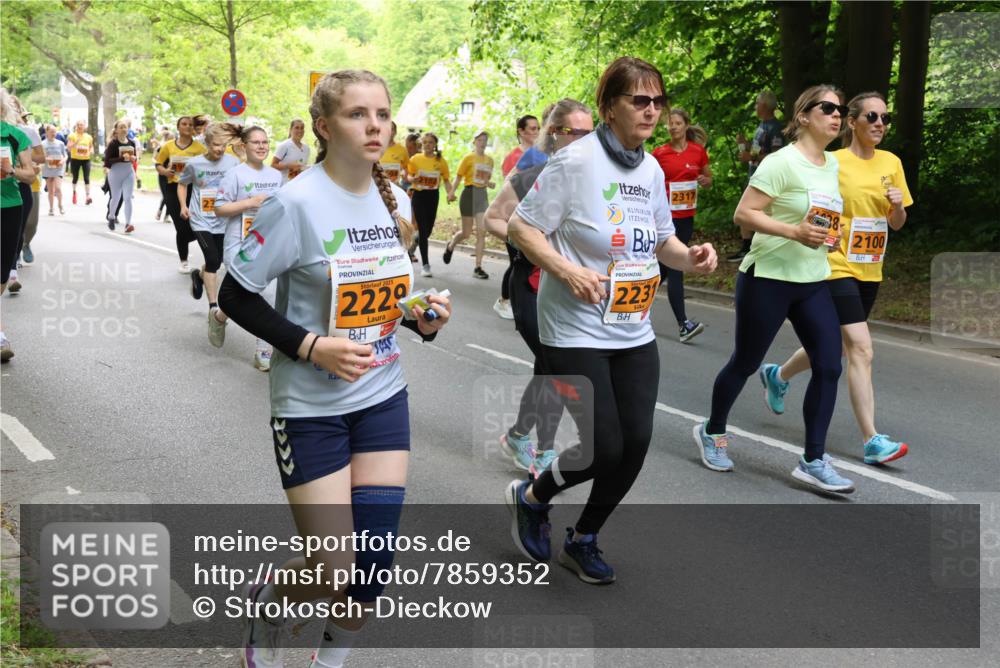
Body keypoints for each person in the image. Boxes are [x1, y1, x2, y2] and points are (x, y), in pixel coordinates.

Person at [218, 68, 450, 668]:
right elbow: (235, 295)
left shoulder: (387, 197)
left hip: (382, 398)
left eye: (382, 114)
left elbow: (370, 299)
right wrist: (308, 345)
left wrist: (416, 315)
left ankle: (332, 659)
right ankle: (273, 601)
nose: (374, 125)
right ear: (324, 126)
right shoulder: (294, 203)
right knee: (332, 566)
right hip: (310, 411)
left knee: (372, 564)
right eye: (357, 114)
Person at [504, 57, 717, 584]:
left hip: (632, 325)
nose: (651, 111)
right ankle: (532, 497)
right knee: (605, 445)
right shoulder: (575, 162)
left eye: (657, 101)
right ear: (609, 107)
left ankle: (585, 537)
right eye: (638, 101)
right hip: (573, 327)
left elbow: (663, 239)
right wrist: (566, 269)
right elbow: (520, 227)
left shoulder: (650, 169)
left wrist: (689, 258)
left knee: (636, 442)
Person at [695, 84, 855, 494]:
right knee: (745, 363)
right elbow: (743, 214)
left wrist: (826, 235)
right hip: (767, 277)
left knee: (830, 363)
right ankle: (712, 431)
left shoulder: (832, 165)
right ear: (803, 116)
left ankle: (813, 460)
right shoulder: (780, 163)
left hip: (812, 279)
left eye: (840, 109)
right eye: (828, 108)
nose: (837, 115)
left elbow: (821, 216)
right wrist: (793, 231)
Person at [760, 91, 912, 465]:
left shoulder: (891, 162)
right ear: (852, 122)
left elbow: (898, 222)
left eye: (885, 118)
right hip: (835, 265)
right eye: (872, 117)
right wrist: (825, 237)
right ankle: (872, 440)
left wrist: (895, 206)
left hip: (870, 267)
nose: (880, 124)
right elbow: (814, 206)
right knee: (861, 347)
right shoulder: (833, 162)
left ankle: (778, 375)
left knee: (840, 346)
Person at [485, 98, 593, 474]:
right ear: (554, 133)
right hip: (529, 285)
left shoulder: (592, 178)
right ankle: (545, 451)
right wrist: (528, 243)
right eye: (574, 132)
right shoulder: (532, 171)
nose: (583, 140)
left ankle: (517, 436)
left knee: (548, 367)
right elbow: (494, 219)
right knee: (555, 365)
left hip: (564, 287)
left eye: (589, 133)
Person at [213, 124, 282, 370]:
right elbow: (219, 208)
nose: (262, 146)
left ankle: (263, 351)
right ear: (244, 146)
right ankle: (220, 316)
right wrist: (250, 202)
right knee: (243, 293)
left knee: (268, 295)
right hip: (239, 243)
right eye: (256, 142)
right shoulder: (235, 175)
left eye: (265, 142)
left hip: (266, 243)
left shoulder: (275, 176)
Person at [652, 107, 712, 343]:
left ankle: (630, 308)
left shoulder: (698, 152)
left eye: (677, 123)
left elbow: (708, 180)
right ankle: (683, 325)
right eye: (670, 123)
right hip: (666, 217)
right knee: (677, 265)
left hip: (686, 217)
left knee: (662, 270)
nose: (673, 127)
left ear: (686, 125)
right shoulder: (659, 154)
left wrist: (704, 180)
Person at [177, 122, 241, 341]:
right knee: (213, 259)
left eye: (223, 145)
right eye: (215, 145)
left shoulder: (233, 162)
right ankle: (213, 307)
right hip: (201, 220)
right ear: (206, 143)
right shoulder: (194, 164)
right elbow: (182, 184)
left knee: (217, 261)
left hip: (223, 220)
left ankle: (199, 275)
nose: (220, 149)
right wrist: (183, 206)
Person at [1, 93, 37, 362]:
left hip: (9, 206)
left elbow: (30, 173)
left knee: (2, 274)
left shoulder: (14, 135)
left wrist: (11, 170)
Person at [728, 91, 784, 262]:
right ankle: (746, 246)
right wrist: (745, 144)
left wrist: (751, 157)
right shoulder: (762, 125)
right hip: (754, 175)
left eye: (757, 103)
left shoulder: (776, 128)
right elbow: (758, 149)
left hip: (767, 180)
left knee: (752, 211)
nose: (755, 107)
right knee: (744, 209)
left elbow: (777, 156)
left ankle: (754, 248)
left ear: (765, 106)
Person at [155, 117, 206, 273]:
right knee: (181, 226)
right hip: (172, 188)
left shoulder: (199, 148)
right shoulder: (168, 146)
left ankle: (194, 237)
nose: (188, 126)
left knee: (195, 224)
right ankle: (183, 261)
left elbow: (206, 166)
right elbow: (158, 163)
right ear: (178, 127)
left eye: (190, 125)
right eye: (184, 124)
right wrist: (165, 171)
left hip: (193, 189)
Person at [443, 130, 495, 279]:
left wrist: (489, 183)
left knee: (481, 231)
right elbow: (459, 177)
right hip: (469, 194)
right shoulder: (468, 158)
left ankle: (478, 267)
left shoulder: (490, 160)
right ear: (474, 141)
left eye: (485, 140)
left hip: (482, 195)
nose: (483, 142)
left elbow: (485, 179)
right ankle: (451, 245)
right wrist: (451, 192)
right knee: (466, 233)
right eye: (480, 140)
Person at [406, 131, 455, 277]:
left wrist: (450, 193)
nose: (428, 145)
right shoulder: (415, 159)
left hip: (433, 196)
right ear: (422, 144)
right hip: (419, 195)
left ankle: (415, 241)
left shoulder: (440, 161)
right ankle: (426, 265)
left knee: (427, 231)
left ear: (435, 145)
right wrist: (411, 179)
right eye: (425, 142)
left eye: (431, 142)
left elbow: (446, 180)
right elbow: (409, 174)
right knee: (422, 229)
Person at [103, 120, 137, 234]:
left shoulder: (132, 143)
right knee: (116, 197)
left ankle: (128, 223)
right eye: (121, 127)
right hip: (115, 173)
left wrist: (134, 158)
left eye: (125, 127)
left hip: (128, 172)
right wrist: (121, 158)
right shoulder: (113, 144)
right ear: (116, 130)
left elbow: (134, 157)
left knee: (128, 198)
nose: (124, 129)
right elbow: (107, 162)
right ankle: (111, 216)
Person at [272, 118, 310, 184]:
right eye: (297, 128)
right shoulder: (284, 145)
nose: (300, 130)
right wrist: (288, 166)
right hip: (284, 185)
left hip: (300, 184)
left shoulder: (306, 148)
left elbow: (302, 166)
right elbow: (273, 165)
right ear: (290, 130)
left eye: (302, 128)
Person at [501, 114, 539, 178]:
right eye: (533, 129)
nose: (537, 132)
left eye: (538, 129)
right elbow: (507, 185)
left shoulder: (544, 154)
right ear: (521, 131)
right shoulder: (510, 158)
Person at [41, 124, 67, 216]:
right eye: (51, 132)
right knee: (50, 190)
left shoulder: (60, 143)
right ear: (47, 132)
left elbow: (65, 155)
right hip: (48, 168)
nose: (53, 133)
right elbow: (41, 157)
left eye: (55, 131)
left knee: (58, 188)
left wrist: (62, 161)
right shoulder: (43, 144)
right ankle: (51, 208)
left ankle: (60, 205)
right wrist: (47, 159)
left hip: (58, 168)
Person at [67, 119, 94, 205]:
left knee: (87, 178)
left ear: (84, 126)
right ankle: (74, 193)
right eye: (78, 125)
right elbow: (69, 147)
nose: (80, 126)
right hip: (75, 159)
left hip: (86, 159)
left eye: (81, 125)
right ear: (76, 126)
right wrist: (76, 143)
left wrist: (91, 151)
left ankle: (88, 196)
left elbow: (91, 147)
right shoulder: (72, 135)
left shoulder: (88, 137)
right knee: (75, 177)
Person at [378, 121, 409, 187]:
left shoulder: (402, 149)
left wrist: (404, 177)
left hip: (395, 187)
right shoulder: (375, 147)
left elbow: (406, 168)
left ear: (395, 132)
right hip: (377, 186)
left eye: (391, 129)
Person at [154, 129, 174, 222]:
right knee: (166, 195)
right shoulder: (161, 148)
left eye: (173, 139)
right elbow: (155, 159)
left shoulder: (176, 149)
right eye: (170, 139)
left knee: (171, 196)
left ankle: (166, 216)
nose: (172, 141)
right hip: (162, 174)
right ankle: (160, 210)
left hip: (172, 174)